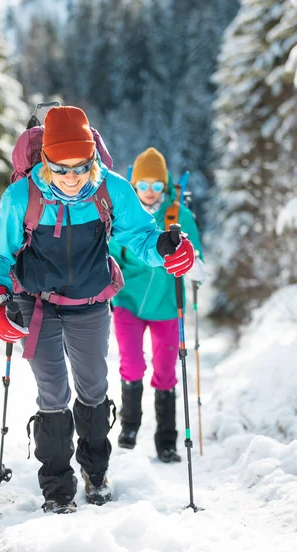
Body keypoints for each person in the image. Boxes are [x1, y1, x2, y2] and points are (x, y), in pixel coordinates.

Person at [0, 107, 195, 514]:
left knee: (94, 388)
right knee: (52, 393)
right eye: (60, 168)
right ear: (45, 160)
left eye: (81, 166)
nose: (71, 177)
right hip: (35, 302)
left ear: (93, 157)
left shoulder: (110, 189)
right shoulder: (21, 196)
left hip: (90, 302)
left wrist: (168, 250)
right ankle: (57, 487)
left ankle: (95, 473)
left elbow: (143, 236)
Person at [109, 147, 204, 462]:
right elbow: (110, 250)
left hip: (167, 305)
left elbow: (198, 261)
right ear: (134, 186)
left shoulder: (179, 216)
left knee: (166, 371)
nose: (149, 193)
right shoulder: (125, 211)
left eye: (156, 186)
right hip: (128, 301)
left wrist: (191, 265)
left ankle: (166, 440)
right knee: (132, 364)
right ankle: (130, 427)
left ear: (165, 186)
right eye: (143, 186)